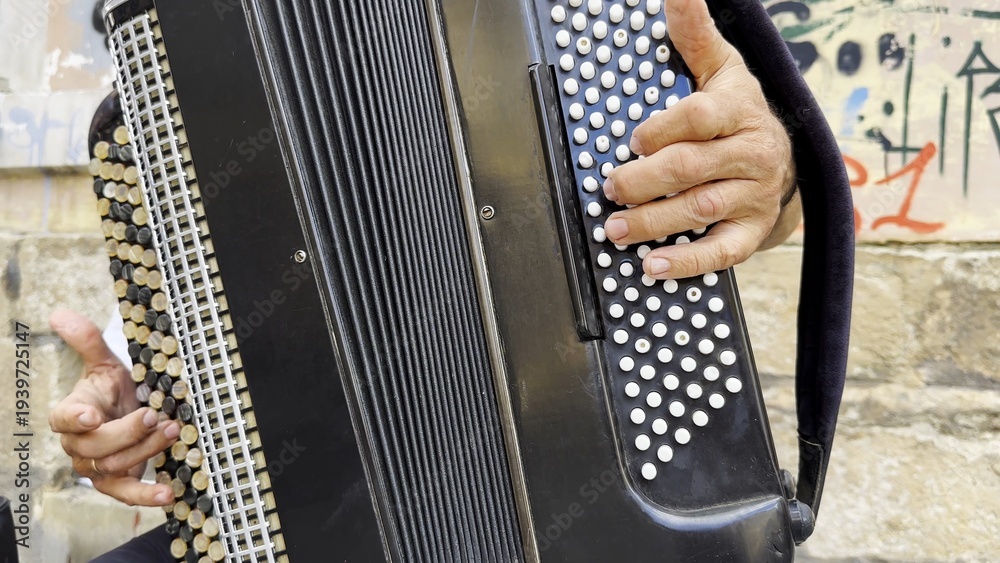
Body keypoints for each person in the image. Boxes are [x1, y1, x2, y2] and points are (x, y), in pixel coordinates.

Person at [51, 0, 823, 559]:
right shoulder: (202, 37)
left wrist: (771, 174)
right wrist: (156, 408)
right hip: (312, 518)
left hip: (599, 477)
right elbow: (224, 267)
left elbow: (778, 193)